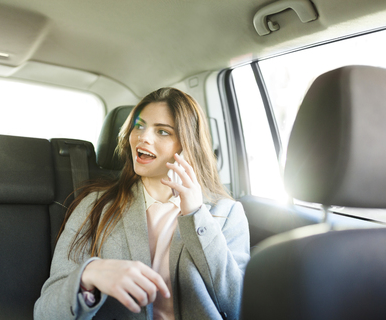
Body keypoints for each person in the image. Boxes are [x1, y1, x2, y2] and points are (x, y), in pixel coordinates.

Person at [34, 87, 250, 320]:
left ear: (187, 145)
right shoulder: (95, 207)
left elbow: (237, 306)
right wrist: (89, 275)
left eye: (163, 132)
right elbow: (46, 313)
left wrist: (197, 215)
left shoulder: (226, 213)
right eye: (139, 125)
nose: (143, 137)